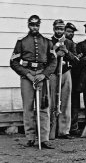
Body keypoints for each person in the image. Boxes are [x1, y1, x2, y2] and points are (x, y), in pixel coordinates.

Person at [10, 15, 57, 149]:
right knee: (28, 108)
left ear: (40, 25)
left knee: (43, 107)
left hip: (41, 75)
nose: (34, 27)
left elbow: (53, 61)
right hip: (27, 76)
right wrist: (27, 74)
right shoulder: (22, 41)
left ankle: (44, 139)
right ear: (28, 25)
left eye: (36, 25)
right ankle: (30, 138)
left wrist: (44, 74)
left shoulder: (47, 42)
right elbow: (13, 62)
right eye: (32, 25)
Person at [49, 19, 78, 140]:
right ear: (53, 29)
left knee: (66, 102)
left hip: (65, 72)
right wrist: (56, 52)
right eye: (57, 28)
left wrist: (66, 51)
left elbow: (76, 60)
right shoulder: (49, 42)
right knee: (52, 102)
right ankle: (51, 129)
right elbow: (46, 58)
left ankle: (64, 130)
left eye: (62, 29)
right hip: (53, 73)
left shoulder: (69, 43)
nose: (59, 31)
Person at [64, 22, 82, 136]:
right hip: (64, 73)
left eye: (72, 32)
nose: (70, 34)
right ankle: (61, 128)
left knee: (75, 103)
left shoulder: (75, 45)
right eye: (68, 31)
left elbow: (77, 60)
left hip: (74, 76)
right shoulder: (59, 44)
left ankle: (73, 127)